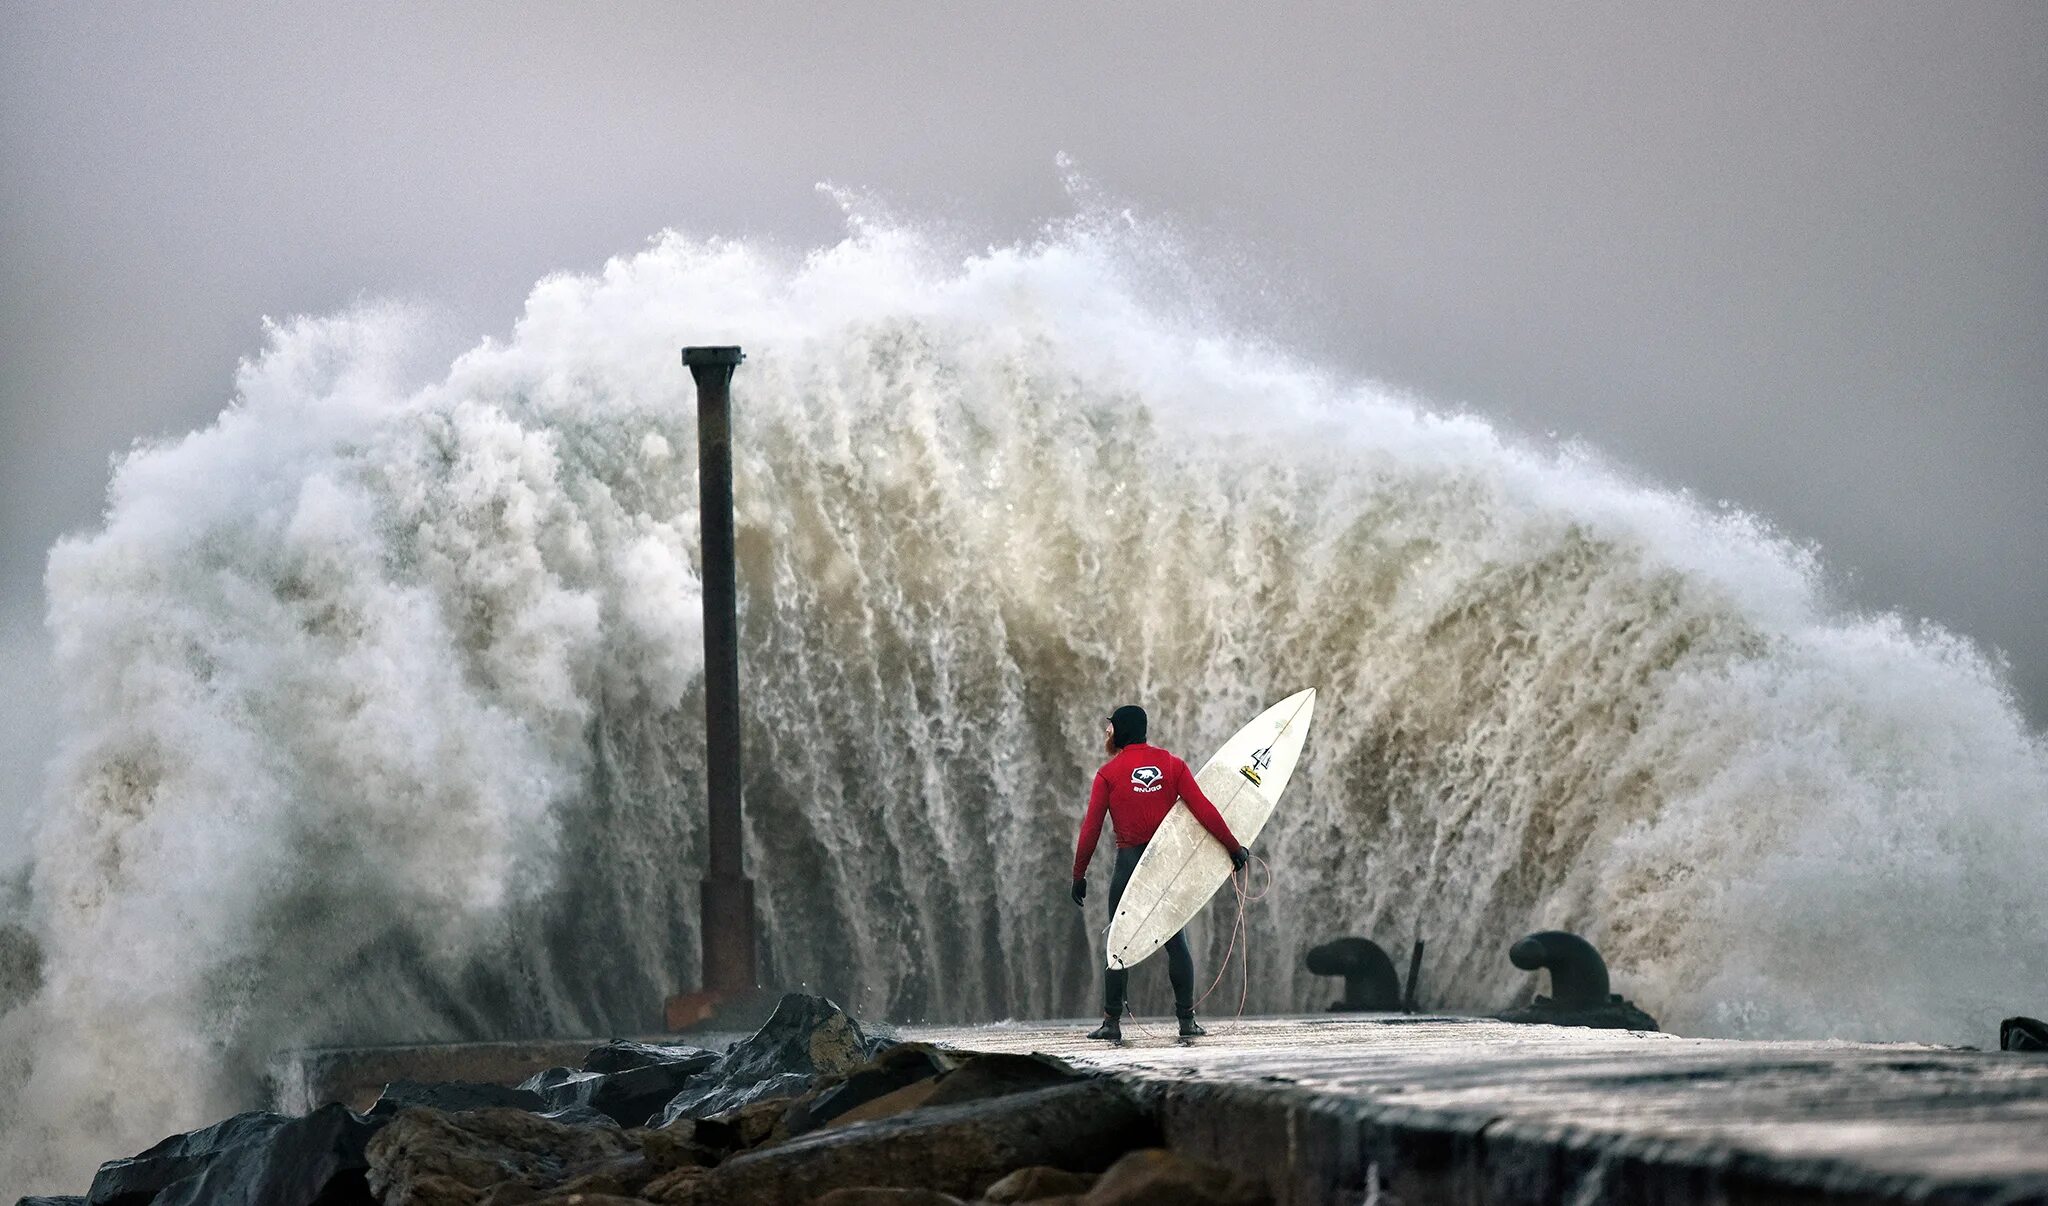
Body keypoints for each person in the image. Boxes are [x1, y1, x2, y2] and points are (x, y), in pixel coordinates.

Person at [1072, 703, 1250, 1040]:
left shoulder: (1108, 774)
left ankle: (1111, 1024)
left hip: (1128, 867)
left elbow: (1090, 829)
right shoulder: (1172, 765)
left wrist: (1078, 874)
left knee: (1118, 942)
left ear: (1122, 730)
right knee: (1176, 942)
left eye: (1109, 726)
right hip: (1164, 868)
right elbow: (1204, 811)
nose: (1106, 732)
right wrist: (1233, 847)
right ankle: (1186, 1021)